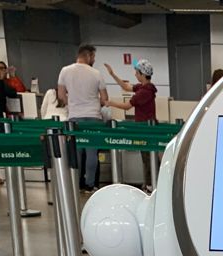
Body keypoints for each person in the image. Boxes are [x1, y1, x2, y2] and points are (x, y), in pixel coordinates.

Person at [57, 44, 108, 192]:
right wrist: (95, 104)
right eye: (94, 57)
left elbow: (61, 95)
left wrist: (73, 104)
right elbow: (104, 98)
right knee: (92, 153)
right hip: (94, 117)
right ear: (89, 56)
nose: (94, 60)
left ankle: (76, 183)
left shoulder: (65, 71)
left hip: (75, 117)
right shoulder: (96, 73)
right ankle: (89, 184)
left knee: (76, 151)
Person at [104, 59, 158, 191]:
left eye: (137, 72)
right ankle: (149, 183)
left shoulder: (145, 92)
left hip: (145, 129)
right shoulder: (143, 88)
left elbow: (127, 106)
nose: (135, 74)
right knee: (147, 157)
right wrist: (112, 74)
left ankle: (150, 185)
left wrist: (111, 103)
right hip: (145, 127)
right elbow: (126, 87)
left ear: (143, 74)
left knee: (148, 157)